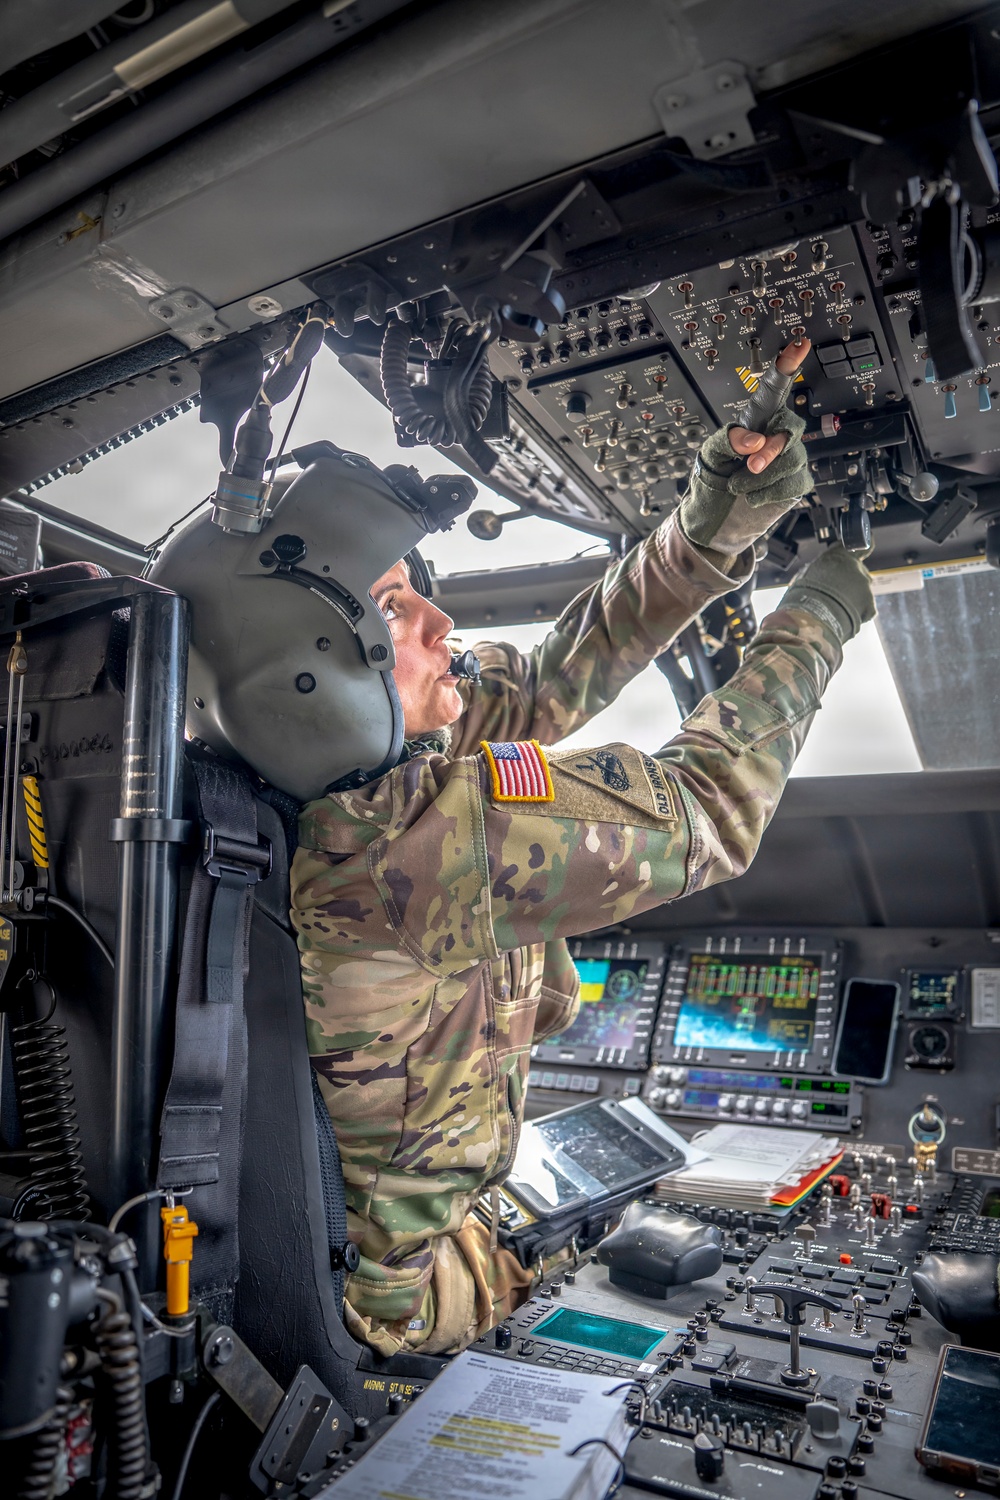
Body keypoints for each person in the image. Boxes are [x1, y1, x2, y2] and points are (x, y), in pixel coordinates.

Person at [151, 337, 875, 1359]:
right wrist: (819, 618)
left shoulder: (290, 787)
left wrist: (720, 513)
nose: (442, 622)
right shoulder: (409, 842)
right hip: (416, 1293)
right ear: (303, 670)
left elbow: (548, 680)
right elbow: (710, 809)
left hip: (387, 1229)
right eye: (396, 608)